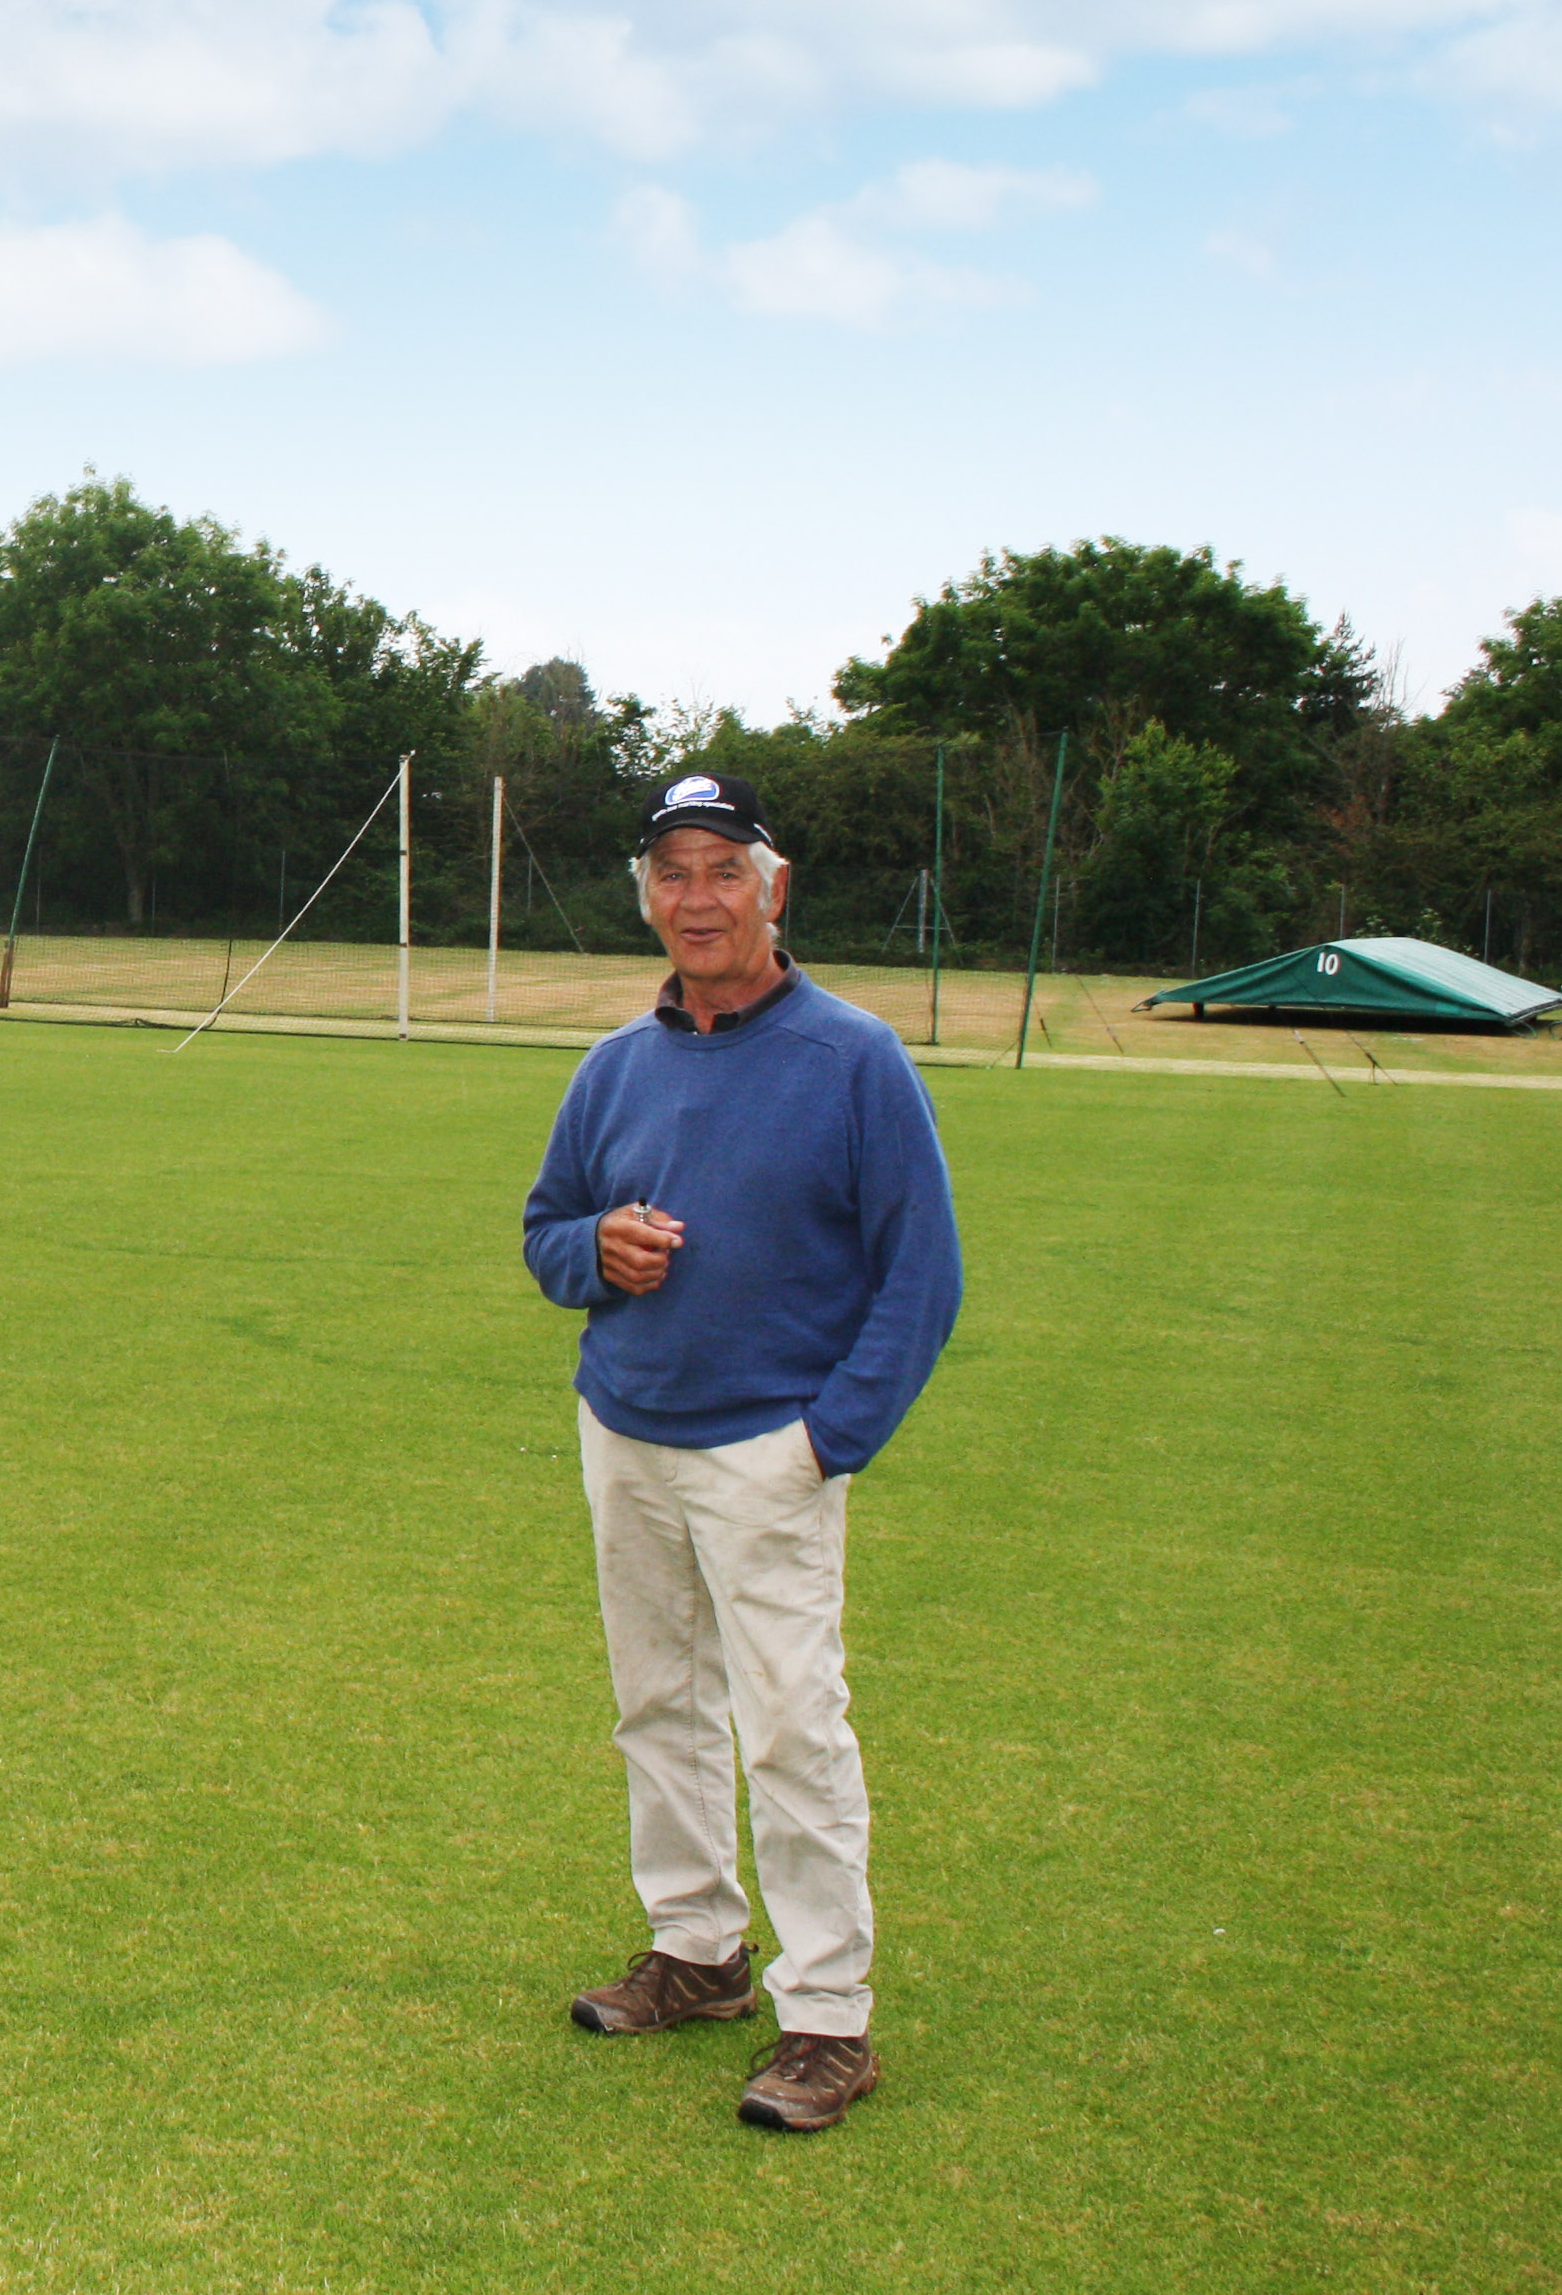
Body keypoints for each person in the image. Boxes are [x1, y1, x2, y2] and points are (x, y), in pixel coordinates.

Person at [519, 771, 960, 2131]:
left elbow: (922, 1275)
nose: (696, 897)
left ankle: (828, 2017)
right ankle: (698, 1949)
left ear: (776, 887)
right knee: (658, 1706)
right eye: (672, 872)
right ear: (646, 894)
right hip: (626, 1432)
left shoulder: (853, 1057)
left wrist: (829, 1439)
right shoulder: (616, 1065)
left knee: (788, 1729)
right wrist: (596, 1250)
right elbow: (545, 1232)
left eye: (723, 869)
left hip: (768, 1448)